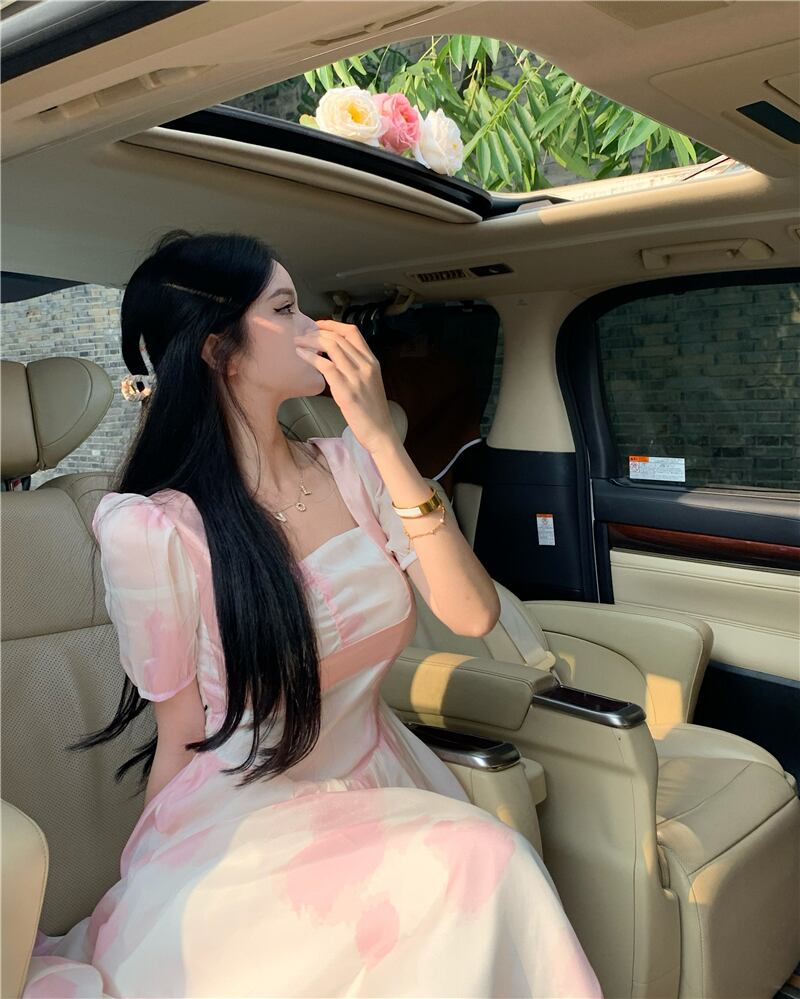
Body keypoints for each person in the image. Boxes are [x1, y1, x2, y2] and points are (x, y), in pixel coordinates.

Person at [22, 230, 602, 998]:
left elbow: (471, 614)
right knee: (485, 859)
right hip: (248, 819)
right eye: (287, 309)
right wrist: (155, 883)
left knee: (479, 869)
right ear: (219, 350)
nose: (319, 329)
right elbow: (181, 731)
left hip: (384, 780)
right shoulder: (155, 529)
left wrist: (381, 438)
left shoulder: (356, 467)